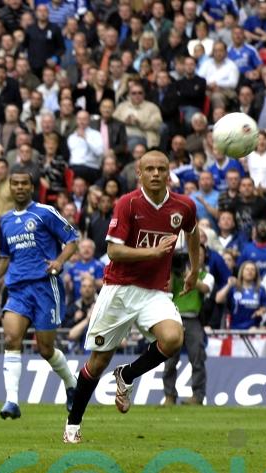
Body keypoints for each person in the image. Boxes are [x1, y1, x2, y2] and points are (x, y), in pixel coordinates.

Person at [65, 150, 199, 443]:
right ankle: (73, 424)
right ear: (139, 173)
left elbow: (193, 232)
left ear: (168, 174)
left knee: (174, 338)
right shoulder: (127, 203)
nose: (155, 174)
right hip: (120, 289)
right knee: (98, 362)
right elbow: (113, 251)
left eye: (161, 169)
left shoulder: (184, 206)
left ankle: (127, 374)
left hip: (155, 292)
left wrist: (194, 269)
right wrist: (153, 252)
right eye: (149, 169)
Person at [0, 172, 79, 420]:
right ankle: (11, 401)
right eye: (16, 183)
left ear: (32, 187)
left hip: (45, 286)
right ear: (10, 188)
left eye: (25, 183)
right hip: (18, 288)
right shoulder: (5, 221)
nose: (20, 187)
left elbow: (72, 239)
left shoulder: (45, 212)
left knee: (45, 349)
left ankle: (72, 385)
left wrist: (58, 261)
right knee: (12, 338)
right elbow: (4, 258)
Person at [162, 245, 214, 406]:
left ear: (204, 257)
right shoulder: (174, 274)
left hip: (193, 319)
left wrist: (187, 273)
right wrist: (170, 268)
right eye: (194, 252)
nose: (196, 255)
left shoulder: (207, 276)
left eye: (200, 254)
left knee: (197, 357)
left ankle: (198, 396)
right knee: (169, 359)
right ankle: (169, 396)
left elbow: (204, 288)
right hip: (173, 318)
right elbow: (167, 289)